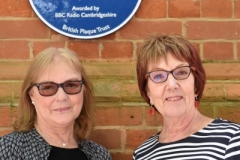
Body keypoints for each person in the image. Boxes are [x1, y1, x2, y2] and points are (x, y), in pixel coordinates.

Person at [133, 34, 240, 160]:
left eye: (182, 72)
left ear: (196, 85)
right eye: (158, 76)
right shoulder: (142, 154)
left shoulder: (232, 139)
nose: (172, 85)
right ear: (148, 93)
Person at [0, 47, 112, 160]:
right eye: (48, 87)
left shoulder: (99, 155)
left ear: (84, 91)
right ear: (31, 95)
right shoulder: (9, 150)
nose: (61, 97)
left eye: (71, 85)